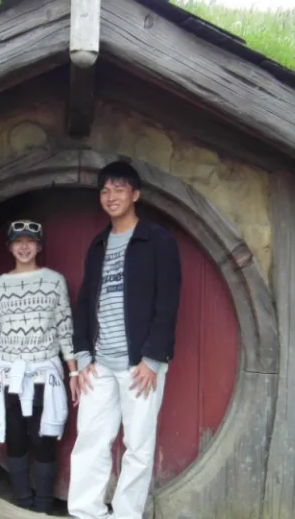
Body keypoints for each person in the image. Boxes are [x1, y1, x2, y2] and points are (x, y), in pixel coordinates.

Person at [67, 161, 182, 519]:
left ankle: (126, 515)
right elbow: (85, 302)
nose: (110, 196)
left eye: (119, 189)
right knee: (90, 441)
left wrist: (153, 359)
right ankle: (85, 512)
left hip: (140, 366)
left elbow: (168, 302)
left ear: (135, 195)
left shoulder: (158, 241)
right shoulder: (99, 244)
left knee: (138, 446)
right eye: (105, 190)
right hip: (99, 365)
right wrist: (83, 355)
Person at [0, 219, 80, 514]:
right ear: (10, 247)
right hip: (8, 377)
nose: (24, 247)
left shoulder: (54, 281)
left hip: (44, 376)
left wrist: (73, 372)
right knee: (15, 441)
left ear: (39, 246)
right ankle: (23, 506)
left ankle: (42, 508)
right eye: (18, 241)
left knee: (44, 442)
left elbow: (65, 329)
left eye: (30, 241)